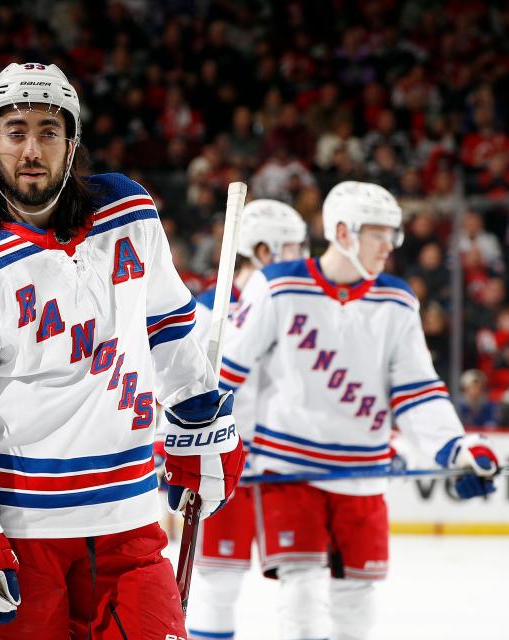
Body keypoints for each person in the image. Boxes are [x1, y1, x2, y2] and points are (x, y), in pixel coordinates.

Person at [0, 62, 244, 640]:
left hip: (130, 519)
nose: (32, 149)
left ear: (72, 143)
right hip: (19, 533)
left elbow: (168, 321)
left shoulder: (127, 211)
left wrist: (197, 413)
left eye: (49, 130)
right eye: (15, 131)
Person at [219, 181, 499, 640]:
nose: (390, 245)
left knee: (356, 614)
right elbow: (229, 372)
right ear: (344, 233)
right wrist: (198, 436)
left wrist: (457, 449)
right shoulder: (279, 286)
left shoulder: (397, 301)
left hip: (363, 473)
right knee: (303, 605)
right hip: (290, 470)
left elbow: (417, 390)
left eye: (393, 235)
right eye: (379, 234)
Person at [184, 199, 307, 640]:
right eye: (294, 248)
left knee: (303, 578)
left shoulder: (303, 309)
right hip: (225, 462)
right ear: (263, 250)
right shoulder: (200, 313)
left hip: (284, 463)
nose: (303, 259)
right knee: (218, 581)